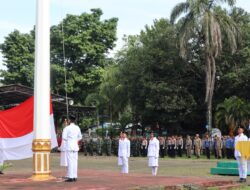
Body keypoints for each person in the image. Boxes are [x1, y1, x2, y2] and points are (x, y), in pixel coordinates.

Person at [62, 115, 82, 182]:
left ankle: (71, 177)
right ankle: (75, 176)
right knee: (75, 161)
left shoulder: (67, 128)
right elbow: (80, 137)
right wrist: (75, 139)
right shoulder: (77, 127)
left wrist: (70, 139)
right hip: (75, 146)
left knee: (70, 161)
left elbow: (64, 137)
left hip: (69, 146)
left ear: (69, 120)